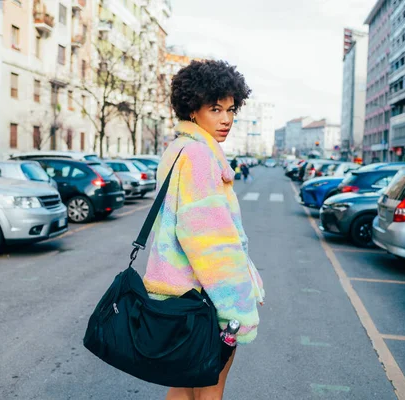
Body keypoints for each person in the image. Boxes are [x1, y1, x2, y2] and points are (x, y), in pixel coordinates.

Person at [143, 60, 264, 400]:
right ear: (193, 109)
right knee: (210, 389)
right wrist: (237, 306)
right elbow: (208, 242)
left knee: (184, 386)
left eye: (230, 109)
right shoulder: (199, 155)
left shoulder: (179, 149)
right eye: (215, 108)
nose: (226, 119)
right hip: (205, 300)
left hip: (178, 294)